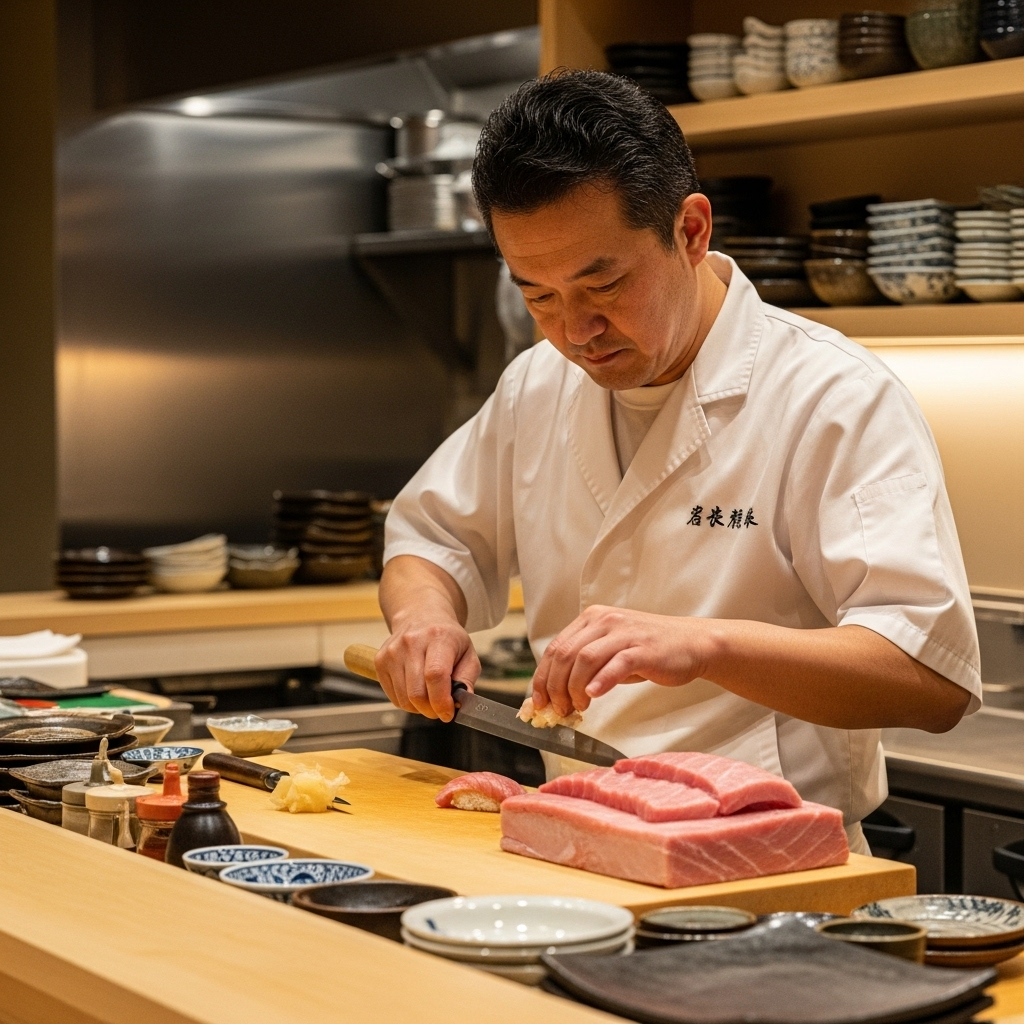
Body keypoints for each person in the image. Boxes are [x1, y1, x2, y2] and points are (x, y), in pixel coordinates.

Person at [375, 70, 979, 853]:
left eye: (605, 283)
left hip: (769, 871)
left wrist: (705, 645)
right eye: (539, 296)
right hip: (578, 845)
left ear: (691, 231)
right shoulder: (538, 384)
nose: (576, 329)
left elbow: (929, 677)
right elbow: (431, 540)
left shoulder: (832, 396)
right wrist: (424, 619)